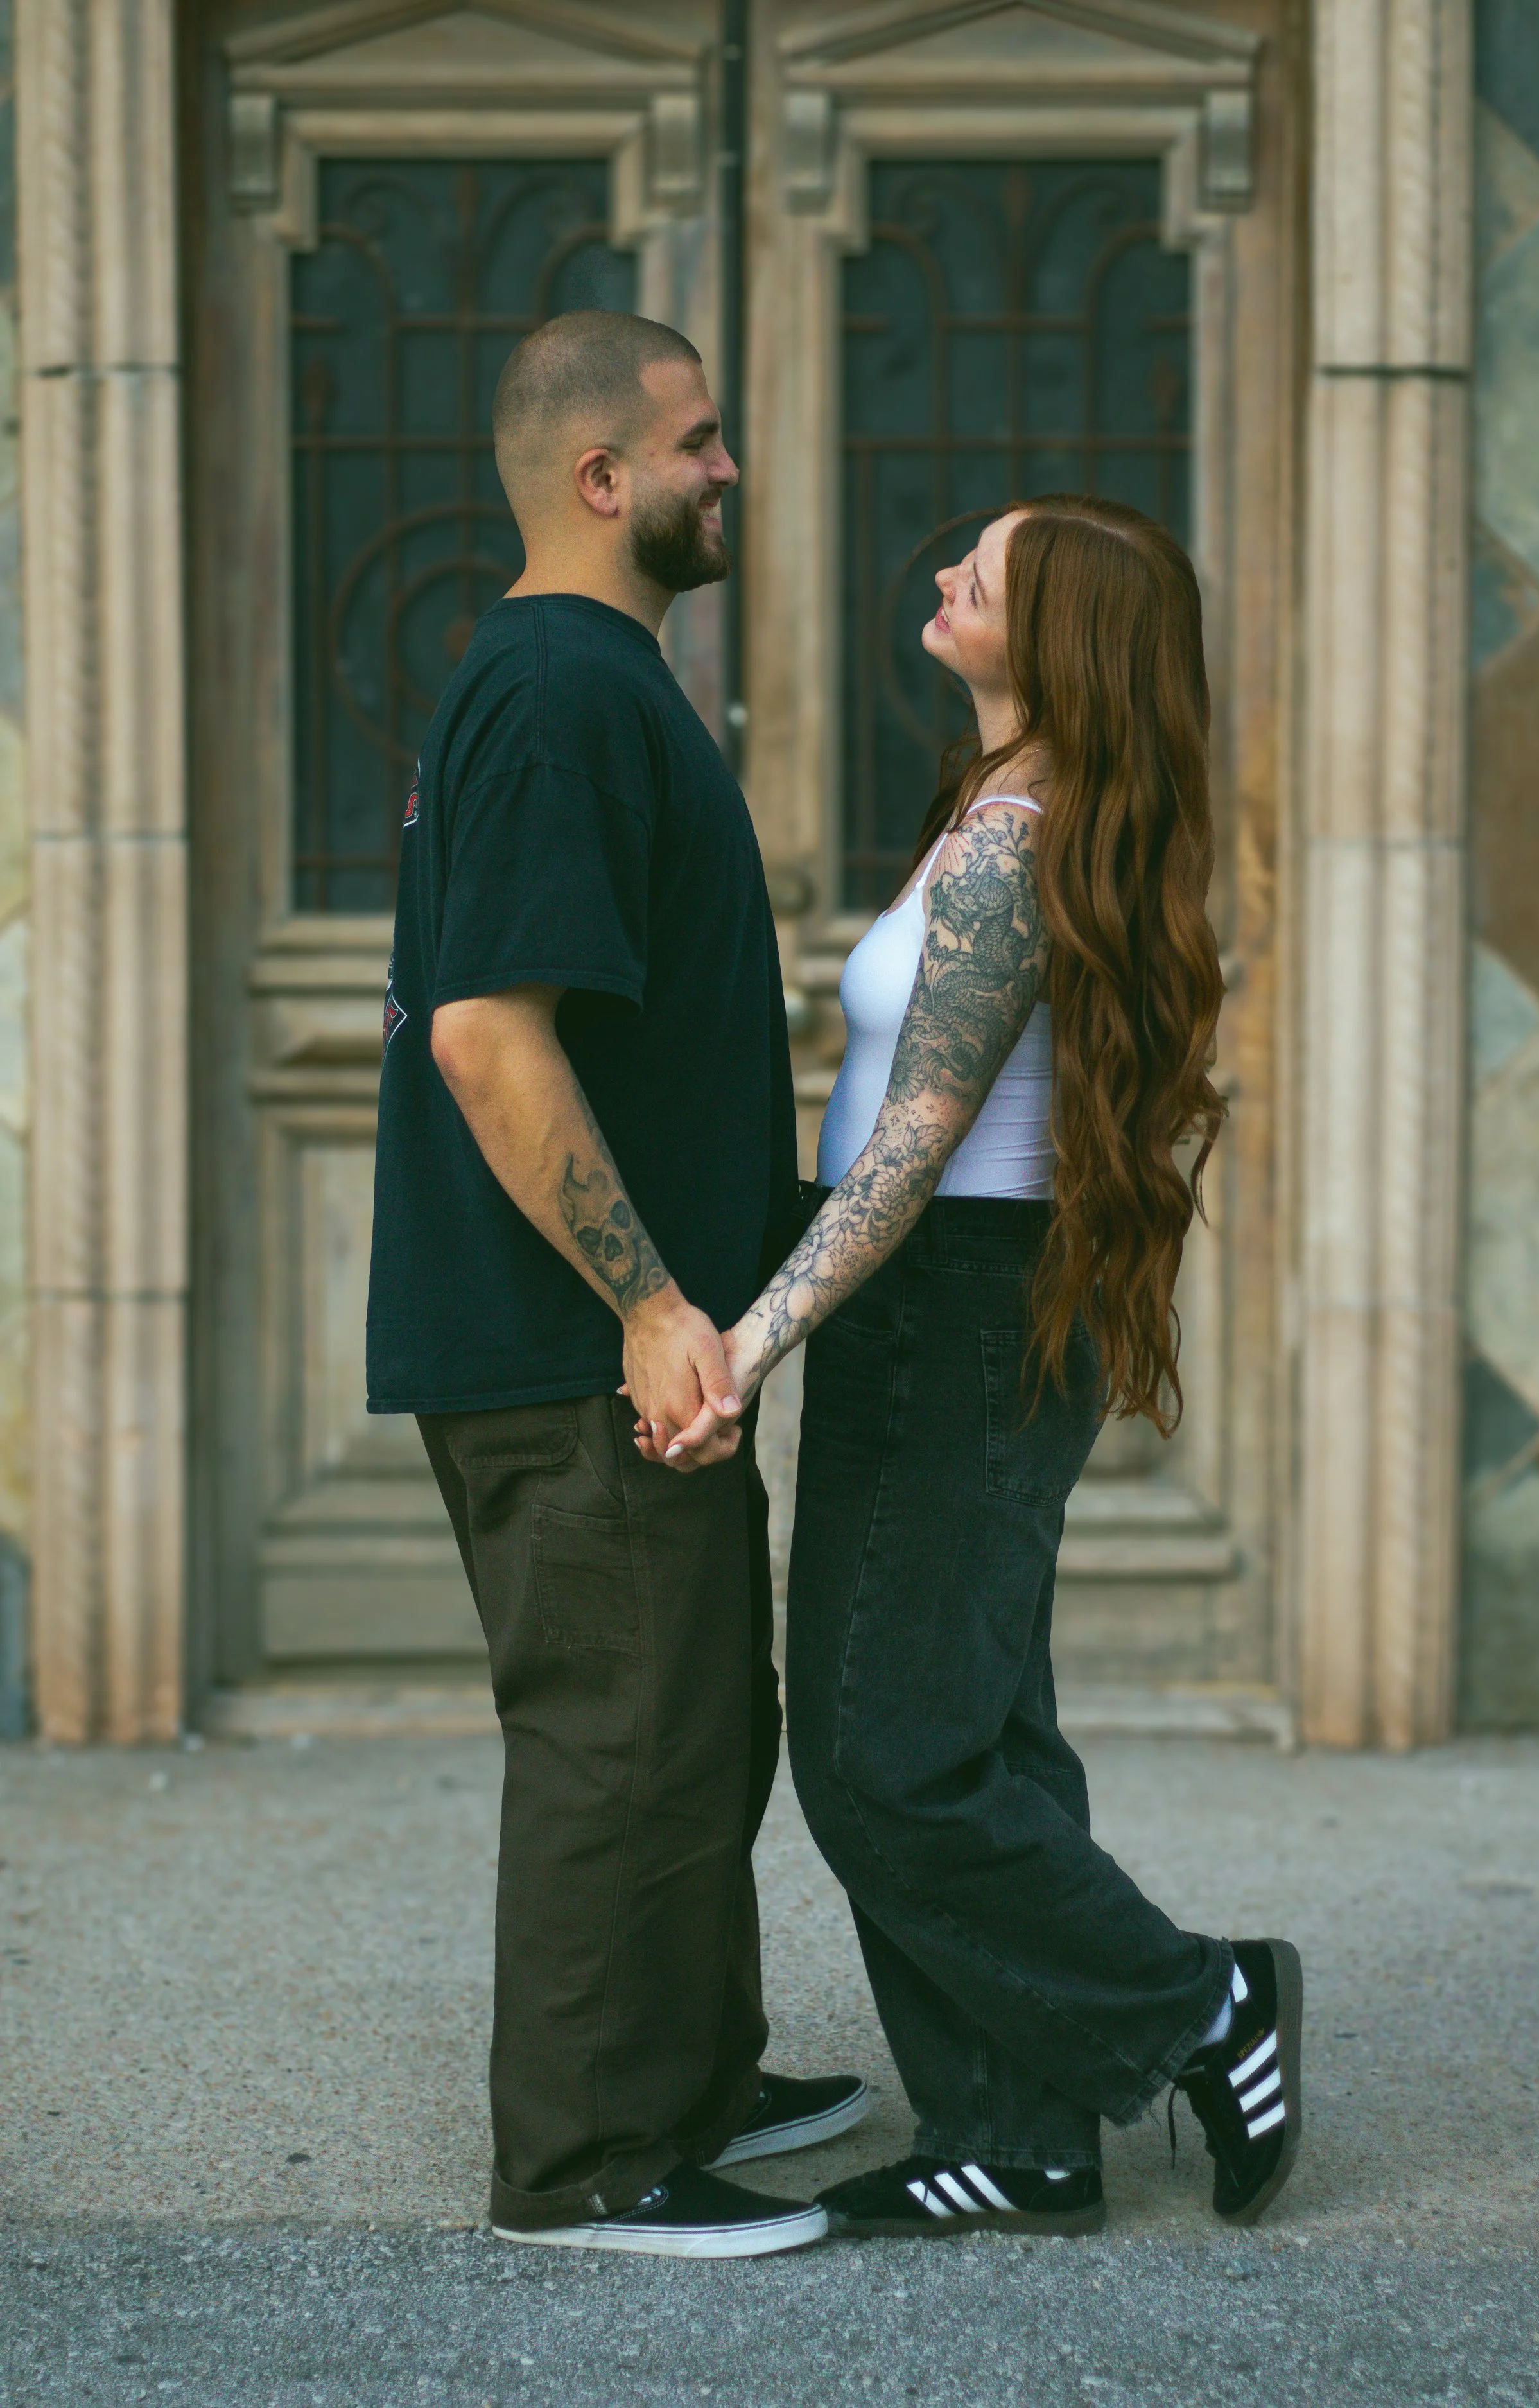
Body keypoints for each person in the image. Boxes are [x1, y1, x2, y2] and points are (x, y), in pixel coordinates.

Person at [649, 494, 1303, 2239]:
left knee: (883, 1752)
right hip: (958, 1301)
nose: (945, 572)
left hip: (951, 1301)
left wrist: (747, 1344)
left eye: (986, 570)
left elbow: (907, 1154)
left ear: (1057, 632)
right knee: (974, 1729)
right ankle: (1015, 2128)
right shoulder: (1000, 808)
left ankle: (1199, 2004)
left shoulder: (1021, 839)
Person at [365, 310, 863, 2258]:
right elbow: (489, 1035)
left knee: (692, 1715)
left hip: (615, 1341)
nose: (726, 468)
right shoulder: (563, 690)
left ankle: (688, 2071)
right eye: (700, 440)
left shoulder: (581, 683)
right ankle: (585, 2159)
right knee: (623, 1729)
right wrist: (652, 1304)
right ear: (602, 477)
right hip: (575, 1345)